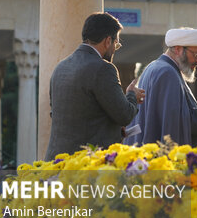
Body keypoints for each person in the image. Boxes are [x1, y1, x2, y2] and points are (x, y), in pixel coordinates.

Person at [45, 12, 145, 160]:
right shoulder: (103, 68)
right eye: (116, 44)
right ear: (107, 41)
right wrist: (131, 95)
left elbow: (70, 115)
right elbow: (124, 115)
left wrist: (113, 130)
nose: (114, 49)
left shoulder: (61, 67)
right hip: (86, 166)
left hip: (56, 162)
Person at [124, 28, 197, 147]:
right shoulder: (167, 72)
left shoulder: (156, 67)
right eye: (196, 54)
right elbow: (173, 122)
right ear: (178, 49)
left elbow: (172, 115)